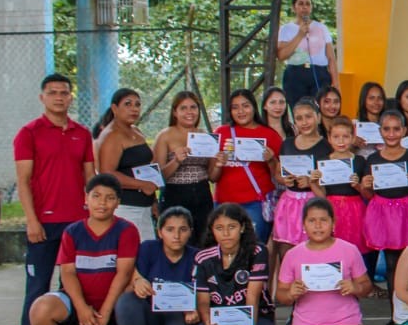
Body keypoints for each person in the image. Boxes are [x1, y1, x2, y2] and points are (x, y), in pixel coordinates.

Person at [27, 174, 139, 325]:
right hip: (79, 303)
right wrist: (81, 308)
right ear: (85, 198)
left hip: (109, 306)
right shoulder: (73, 232)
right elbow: (68, 273)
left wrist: (104, 313)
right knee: (40, 309)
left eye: (109, 198)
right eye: (96, 196)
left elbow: (123, 274)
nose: (102, 203)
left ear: (118, 202)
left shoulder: (126, 230)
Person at [14, 72, 95, 325]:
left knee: (73, 282)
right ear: (42, 97)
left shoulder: (81, 133)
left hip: (77, 221)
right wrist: (32, 220)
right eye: (53, 92)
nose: (59, 97)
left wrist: (93, 216)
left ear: (71, 97)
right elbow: (23, 181)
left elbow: (90, 178)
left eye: (64, 92)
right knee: (38, 285)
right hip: (45, 222)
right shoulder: (29, 133)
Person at [276, 198, 372, 325]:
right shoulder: (293, 255)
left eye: (323, 220)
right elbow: (280, 294)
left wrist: (355, 287)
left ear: (333, 223)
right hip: (306, 321)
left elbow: (366, 286)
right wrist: (290, 293)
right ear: (303, 224)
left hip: (343, 319)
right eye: (312, 220)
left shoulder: (349, 250)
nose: (318, 226)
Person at [116, 206, 201, 325]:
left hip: (179, 316)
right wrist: (138, 282)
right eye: (170, 230)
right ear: (160, 232)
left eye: (183, 229)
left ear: (190, 232)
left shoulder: (197, 257)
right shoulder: (148, 249)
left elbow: (204, 293)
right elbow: (130, 281)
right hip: (150, 314)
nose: (176, 236)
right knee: (126, 302)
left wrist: (195, 310)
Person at [193, 203, 278, 325]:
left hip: (256, 315)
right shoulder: (203, 258)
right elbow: (203, 299)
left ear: (242, 227)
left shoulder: (257, 252)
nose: (225, 233)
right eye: (219, 228)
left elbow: (252, 297)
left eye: (231, 227)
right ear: (212, 230)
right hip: (223, 316)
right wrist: (207, 318)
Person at [362, 109, 408, 314]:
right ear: (380, 131)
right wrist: (365, 185)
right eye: (387, 129)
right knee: (391, 264)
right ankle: (395, 313)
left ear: (404, 130)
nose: (391, 134)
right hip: (384, 214)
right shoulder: (373, 159)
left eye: (396, 129)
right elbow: (368, 194)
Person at [208, 88, 282, 242]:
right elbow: (213, 177)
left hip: (256, 204)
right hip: (224, 204)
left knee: (254, 247)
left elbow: (280, 176)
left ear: (254, 107)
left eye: (245, 106)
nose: (241, 111)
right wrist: (219, 164)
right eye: (235, 107)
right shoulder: (221, 132)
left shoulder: (270, 135)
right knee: (226, 247)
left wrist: (271, 160)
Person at [92, 88, 158, 241]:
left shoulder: (136, 131)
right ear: (115, 108)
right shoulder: (111, 135)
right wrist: (141, 185)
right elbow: (107, 173)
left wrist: (153, 199)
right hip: (125, 207)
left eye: (137, 104)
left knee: (146, 252)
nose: (134, 109)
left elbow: (145, 168)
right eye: (128, 104)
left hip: (145, 206)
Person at [271, 98, 331, 266]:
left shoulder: (327, 147)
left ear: (318, 117)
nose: (304, 122)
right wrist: (285, 180)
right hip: (289, 203)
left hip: (313, 202)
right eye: (299, 118)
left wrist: (311, 182)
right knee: (285, 251)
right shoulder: (287, 144)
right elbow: (278, 173)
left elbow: (330, 183)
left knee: (312, 250)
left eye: (308, 117)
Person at [153, 91, 215, 237]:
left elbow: (213, 177)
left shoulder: (205, 136)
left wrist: (218, 162)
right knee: (176, 239)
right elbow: (157, 177)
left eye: (193, 107)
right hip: (174, 195)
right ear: (175, 112)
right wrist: (176, 161)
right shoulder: (165, 136)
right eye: (183, 108)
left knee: (203, 239)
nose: (189, 112)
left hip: (202, 194)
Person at [311, 117, 370, 259]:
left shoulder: (359, 161)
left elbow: (368, 194)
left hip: (356, 210)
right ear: (329, 138)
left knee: (356, 248)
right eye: (336, 137)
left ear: (353, 138)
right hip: (332, 209)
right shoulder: (323, 162)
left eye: (345, 137)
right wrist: (313, 183)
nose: (341, 141)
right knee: (333, 249)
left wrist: (358, 186)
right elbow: (322, 195)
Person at [275, 0, 337, 105]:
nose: (304, 7)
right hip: (295, 73)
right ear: (294, 7)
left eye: (308, 4)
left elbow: (331, 58)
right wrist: (300, 35)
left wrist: (335, 83)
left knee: (321, 107)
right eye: (301, 4)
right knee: (298, 107)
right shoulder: (286, 29)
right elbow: (281, 56)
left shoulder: (322, 28)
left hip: (319, 73)